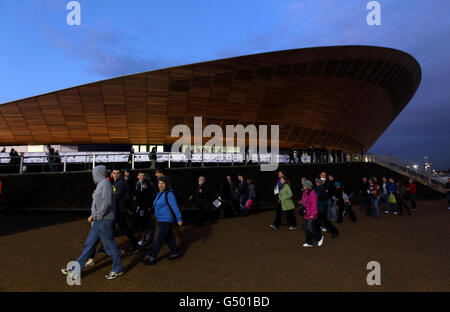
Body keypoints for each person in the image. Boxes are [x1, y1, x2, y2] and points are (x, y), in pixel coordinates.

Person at [61, 165, 123, 280]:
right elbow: (100, 202)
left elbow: (107, 203)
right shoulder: (101, 184)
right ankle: (75, 268)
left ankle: (117, 268)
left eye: (94, 173)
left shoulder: (104, 184)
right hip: (99, 220)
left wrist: (98, 215)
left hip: (104, 220)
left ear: (98, 173)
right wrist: (94, 215)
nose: (93, 175)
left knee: (109, 246)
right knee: (89, 244)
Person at [142, 176, 182, 265]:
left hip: (166, 220)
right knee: (169, 237)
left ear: (166, 184)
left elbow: (175, 207)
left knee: (158, 239)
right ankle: (175, 252)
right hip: (160, 219)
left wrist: (179, 219)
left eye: (162, 183)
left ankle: (152, 257)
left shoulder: (169, 194)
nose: (160, 185)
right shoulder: (159, 193)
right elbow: (155, 204)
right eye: (159, 183)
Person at [132, 172, 154, 246]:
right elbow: (134, 192)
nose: (142, 177)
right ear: (138, 176)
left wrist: (146, 189)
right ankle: (144, 237)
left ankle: (145, 238)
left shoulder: (147, 183)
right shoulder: (136, 183)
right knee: (140, 221)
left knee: (144, 221)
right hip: (137, 206)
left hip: (144, 206)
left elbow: (150, 193)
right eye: (140, 175)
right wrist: (134, 196)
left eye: (143, 175)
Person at [300, 180, 323, 247]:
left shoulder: (313, 194)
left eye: (304, 185)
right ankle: (309, 242)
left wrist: (313, 214)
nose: (303, 186)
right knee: (306, 228)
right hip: (306, 213)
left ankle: (320, 237)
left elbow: (314, 205)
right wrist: (301, 202)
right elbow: (304, 200)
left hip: (311, 214)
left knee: (310, 228)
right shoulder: (305, 192)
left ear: (307, 186)